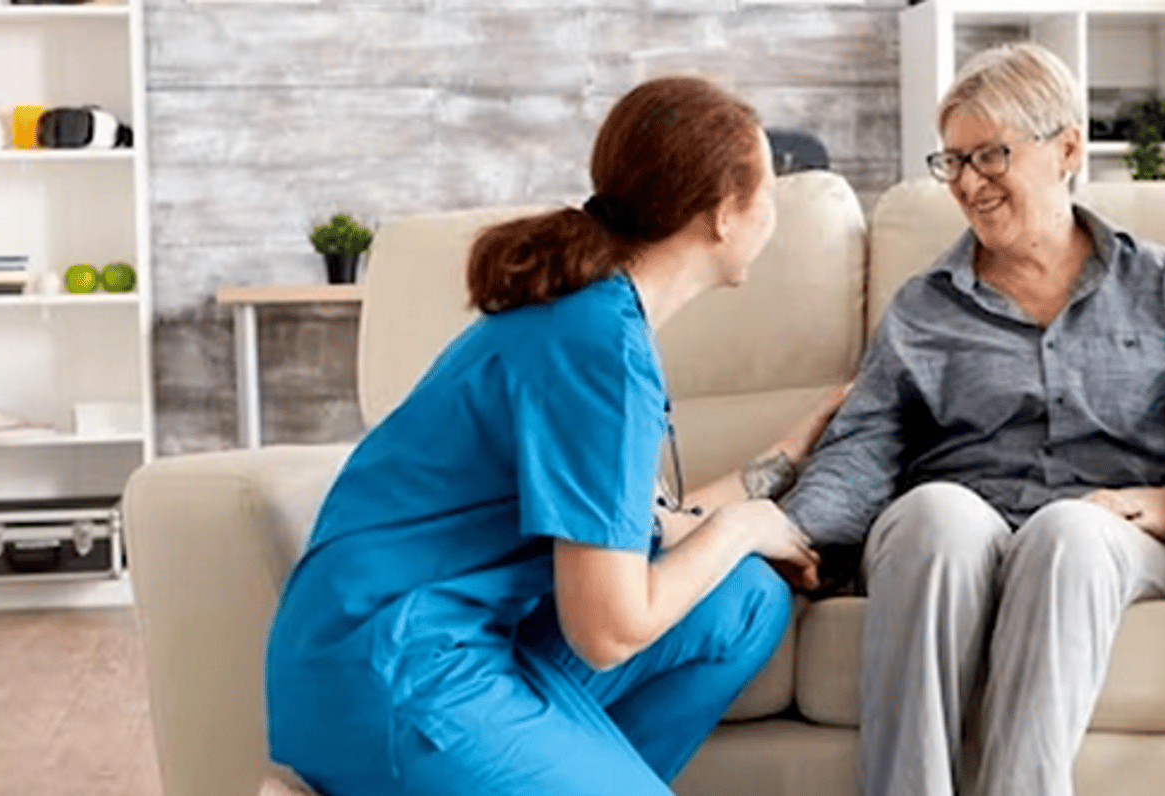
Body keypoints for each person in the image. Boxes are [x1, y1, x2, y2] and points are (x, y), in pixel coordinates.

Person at [265, 75, 845, 796]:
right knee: (730, 563)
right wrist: (738, 528)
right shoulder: (598, 349)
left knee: (745, 602)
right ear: (724, 213)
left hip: (445, 640)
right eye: (768, 189)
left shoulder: (593, 317)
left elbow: (632, 530)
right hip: (395, 670)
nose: (774, 209)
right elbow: (607, 632)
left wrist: (786, 456)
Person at [780, 43, 1165, 796]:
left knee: (1070, 530)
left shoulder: (1159, 285)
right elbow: (862, 448)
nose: (967, 183)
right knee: (934, 514)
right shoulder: (925, 306)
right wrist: (796, 537)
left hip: (1110, 541)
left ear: (1066, 149)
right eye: (952, 162)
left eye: (989, 156)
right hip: (963, 526)